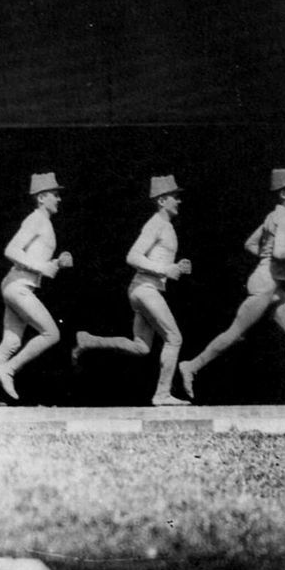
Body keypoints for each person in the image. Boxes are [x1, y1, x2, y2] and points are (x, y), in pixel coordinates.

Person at [179, 168, 285, 403]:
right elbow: (279, 252)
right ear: (284, 194)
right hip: (265, 284)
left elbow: (250, 244)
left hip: (272, 284)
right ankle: (191, 366)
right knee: (234, 333)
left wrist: (268, 257)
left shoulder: (272, 216)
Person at [71, 174, 191, 406]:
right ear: (162, 200)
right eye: (174, 197)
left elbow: (158, 261)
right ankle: (162, 394)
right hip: (145, 289)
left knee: (141, 347)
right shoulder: (156, 225)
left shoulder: (165, 226)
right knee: (174, 338)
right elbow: (133, 256)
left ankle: (89, 341)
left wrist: (176, 267)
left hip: (143, 289)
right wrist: (165, 269)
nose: (179, 201)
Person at [0, 172, 73, 406]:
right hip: (18, 286)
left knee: (11, 343)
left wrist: (56, 263)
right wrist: (42, 266)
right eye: (55, 195)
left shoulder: (44, 222)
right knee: (52, 333)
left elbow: (35, 260)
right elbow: (11, 250)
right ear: (41, 197)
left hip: (17, 285)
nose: (59, 199)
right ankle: (9, 368)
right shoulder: (35, 220)